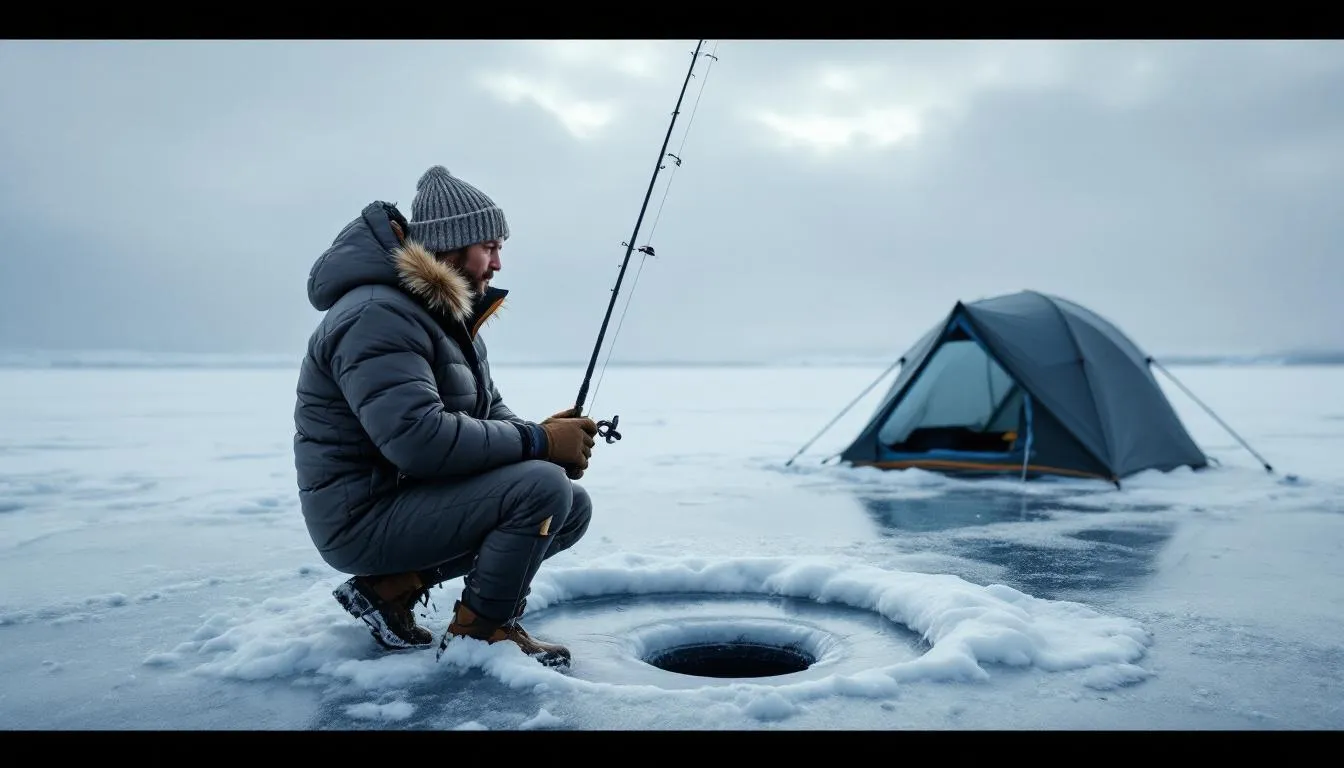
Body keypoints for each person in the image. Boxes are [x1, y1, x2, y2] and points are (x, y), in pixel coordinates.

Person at [292, 164, 598, 668]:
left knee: (568, 504)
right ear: (452, 246)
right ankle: (481, 634)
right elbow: (419, 439)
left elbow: (487, 411)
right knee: (541, 489)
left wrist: (547, 434)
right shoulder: (376, 316)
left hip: (406, 499)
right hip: (361, 519)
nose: (498, 263)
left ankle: (387, 590)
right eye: (490, 247)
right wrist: (540, 444)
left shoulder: (437, 313)